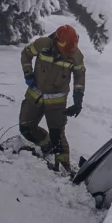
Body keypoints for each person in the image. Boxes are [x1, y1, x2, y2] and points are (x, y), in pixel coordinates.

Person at [19, 24, 86, 172]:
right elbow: (26, 54)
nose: (66, 53)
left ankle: (64, 168)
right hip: (35, 95)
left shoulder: (76, 56)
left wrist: (78, 101)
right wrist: (28, 73)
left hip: (57, 102)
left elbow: (80, 77)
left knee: (58, 136)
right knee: (25, 127)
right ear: (57, 40)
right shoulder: (43, 44)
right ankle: (46, 145)